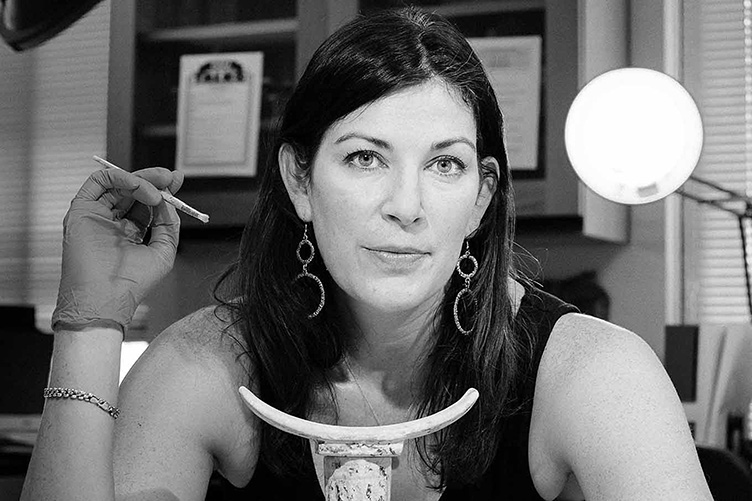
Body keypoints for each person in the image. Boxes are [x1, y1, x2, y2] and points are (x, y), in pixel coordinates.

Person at [21, 7, 712, 501]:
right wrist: (89, 321)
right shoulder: (205, 364)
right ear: (300, 180)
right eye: (364, 157)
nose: (406, 205)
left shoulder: (595, 373)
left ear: (480, 197)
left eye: (445, 164)